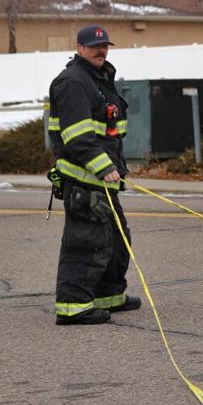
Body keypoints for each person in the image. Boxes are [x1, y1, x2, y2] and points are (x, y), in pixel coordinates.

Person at [47, 25, 141, 325]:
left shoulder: (98, 79)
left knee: (115, 240)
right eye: (94, 46)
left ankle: (107, 297)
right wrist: (104, 166)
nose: (101, 50)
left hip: (102, 182)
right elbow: (77, 136)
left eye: (104, 45)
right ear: (79, 48)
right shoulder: (73, 82)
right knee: (86, 243)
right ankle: (72, 306)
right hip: (84, 180)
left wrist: (114, 169)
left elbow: (109, 131)